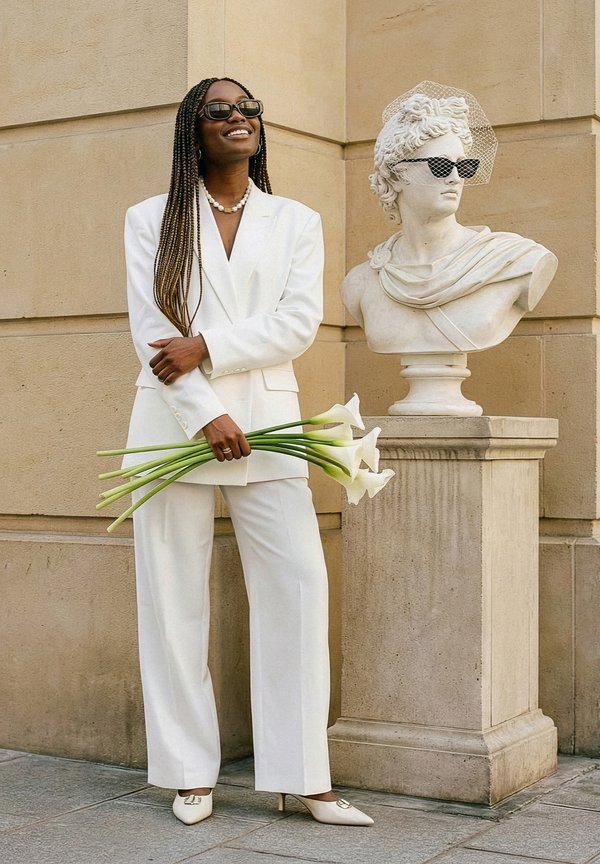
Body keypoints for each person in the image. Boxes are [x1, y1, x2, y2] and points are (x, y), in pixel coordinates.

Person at [123, 76, 373, 827]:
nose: (238, 118)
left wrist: (209, 346)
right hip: (173, 423)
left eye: (248, 109)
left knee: (297, 589)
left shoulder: (297, 219)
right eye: (219, 111)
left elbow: (299, 323)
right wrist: (206, 415)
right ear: (192, 130)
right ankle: (189, 773)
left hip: (269, 425)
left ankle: (304, 776)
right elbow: (150, 330)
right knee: (172, 601)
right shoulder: (150, 219)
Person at [342, 87, 557, 359]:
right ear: (396, 175)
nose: (455, 178)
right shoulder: (361, 282)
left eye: (463, 167)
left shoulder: (516, 261)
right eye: (440, 166)